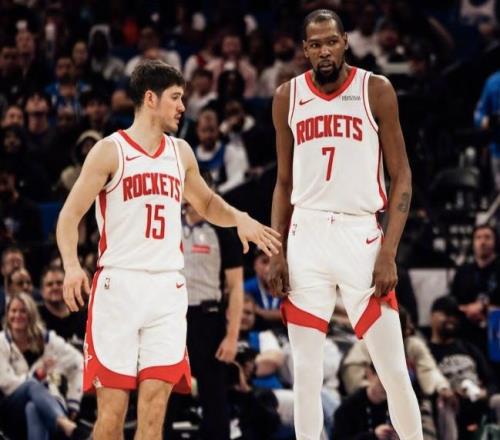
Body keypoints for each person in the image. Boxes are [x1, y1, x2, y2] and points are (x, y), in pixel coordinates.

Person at [56, 59, 281, 440]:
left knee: (154, 414)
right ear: (150, 99)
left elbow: (206, 203)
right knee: (111, 417)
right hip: (119, 288)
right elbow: (68, 216)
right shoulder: (110, 151)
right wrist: (72, 266)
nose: (182, 106)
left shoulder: (181, 152)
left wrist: (239, 218)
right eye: (175, 98)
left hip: (167, 291)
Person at [269, 9, 422, 440]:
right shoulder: (287, 97)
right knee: (306, 373)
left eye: (331, 42)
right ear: (305, 49)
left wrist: (388, 251)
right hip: (306, 234)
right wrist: (276, 250)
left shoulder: (376, 90)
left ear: (345, 42)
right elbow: (283, 182)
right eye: (315, 44)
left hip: (360, 234)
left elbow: (402, 176)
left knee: (393, 369)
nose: (324, 51)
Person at [181, 182, 244, 440]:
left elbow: (236, 287)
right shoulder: (168, 226)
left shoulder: (223, 230)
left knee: (215, 401)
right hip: (174, 319)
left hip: (209, 320)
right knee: (164, 398)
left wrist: (232, 337)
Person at [0, 293, 85, 439]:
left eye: (23, 311)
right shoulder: (1, 342)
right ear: (7, 315)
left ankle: (62, 421)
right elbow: (6, 383)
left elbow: (78, 362)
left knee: (33, 407)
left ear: (31, 314)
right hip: (12, 409)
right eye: (13, 311)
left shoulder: (48, 340)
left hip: (50, 402)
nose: (17, 315)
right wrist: (36, 376)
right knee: (32, 384)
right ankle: (66, 425)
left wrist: (73, 402)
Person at [332, 363, 398, 439]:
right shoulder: (348, 408)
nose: (386, 387)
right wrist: (372, 436)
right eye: (382, 382)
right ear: (369, 374)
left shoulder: (396, 404)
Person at [38, 266, 86, 351]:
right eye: (49, 284)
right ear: (42, 291)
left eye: (59, 283)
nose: (55, 287)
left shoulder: (82, 317)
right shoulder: (36, 317)